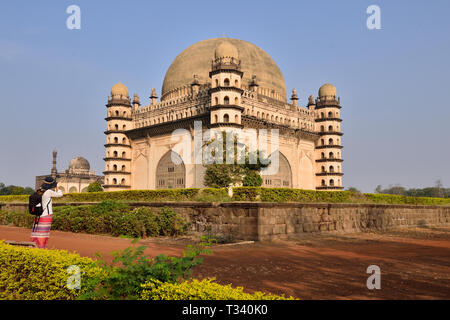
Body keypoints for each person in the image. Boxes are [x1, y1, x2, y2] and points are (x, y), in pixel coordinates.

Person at [30, 177, 63, 249]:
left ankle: (34, 246)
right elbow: (60, 195)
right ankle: (41, 247)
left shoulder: (39, 190)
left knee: (37, 232)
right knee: (43, 233)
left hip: (38, 214)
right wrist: (58, 187)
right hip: (46, 215)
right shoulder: (48, 192)